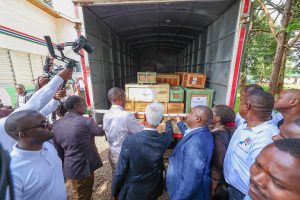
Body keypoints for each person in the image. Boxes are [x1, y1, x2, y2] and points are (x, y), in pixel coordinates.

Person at [224, 89, 279, 200]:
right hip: (231, 187)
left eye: (241, 101)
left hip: (243, 194)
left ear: (246, 106)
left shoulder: (266, 138)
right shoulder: (244, 125)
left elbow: (263, 178)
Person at [0, 68, 72, 152]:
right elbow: (30, 108)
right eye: (43, 125)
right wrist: (59, 78)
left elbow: (36, 113)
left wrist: (55, 99)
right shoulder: (3, 126)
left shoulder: (48, 150)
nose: (5, 107)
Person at [112, 103, 173, 200]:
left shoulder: (130, 140)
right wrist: (169, 122)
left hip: (133, 191)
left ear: (144, 117)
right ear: (161, 120)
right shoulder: (164, 139)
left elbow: (121, 169)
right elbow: (169, 134)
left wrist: (115, 191)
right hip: (153, 189)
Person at [4, 110, 66, 200]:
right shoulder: (11, 172)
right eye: (43, 124)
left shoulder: (48, 147)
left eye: (47, 121)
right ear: (24, 135)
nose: (50, 125)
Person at [52, 95, 105, 200]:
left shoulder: (56, 124)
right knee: (83, 195)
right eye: (84, 104)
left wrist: (62, 166)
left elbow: (58, 150)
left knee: (78, 190)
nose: (86, 106)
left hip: (69, 165)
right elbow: (101, 132)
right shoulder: (86, 121)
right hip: (84, 166)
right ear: (77, 107)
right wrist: (107, 121)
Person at [166, 105, 214, 200]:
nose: (188, 114)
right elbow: (188, 133)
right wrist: (179, 122)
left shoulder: (196, 143)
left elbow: (190, 180)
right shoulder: (202, 132)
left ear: (197, 119)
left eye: (191, 113)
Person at [103, 87, 144, 175]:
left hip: (112, 152)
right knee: (126, 179)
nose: (126, 100)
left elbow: (117, 125)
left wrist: (131, 118)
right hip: (123, 155)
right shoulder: (126, 116)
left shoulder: (106, 114)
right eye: (125, 97)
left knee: (116, 177)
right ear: (120, 98)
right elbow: (141, 131)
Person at [210, 104, 236, 200]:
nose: (209, 114)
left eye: (211, 113)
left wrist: (214, 184)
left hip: (219, 182)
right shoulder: (227, 130)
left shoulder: (218, 136)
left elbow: (218, 164)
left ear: (218, 118)